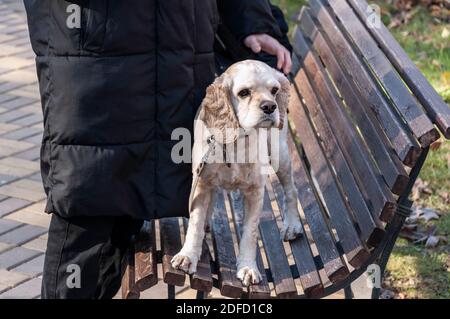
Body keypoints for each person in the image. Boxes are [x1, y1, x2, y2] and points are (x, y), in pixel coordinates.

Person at [24, 0, 292, 299]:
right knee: (89, 203)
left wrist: (250, 19)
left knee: (127, 211)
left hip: (175, 53)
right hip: (94, 53)